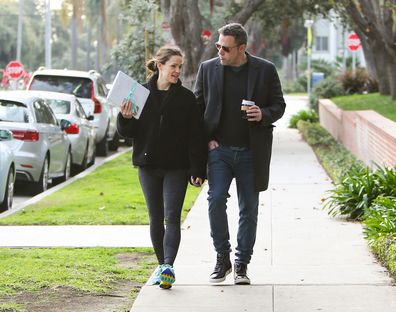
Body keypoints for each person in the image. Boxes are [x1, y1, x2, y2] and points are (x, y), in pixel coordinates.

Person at [194, 23, 286, 285]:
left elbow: (279, 105)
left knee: (249, 209)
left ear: (242, 48)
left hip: (250, 152)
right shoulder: (208, 68)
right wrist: (207, 140)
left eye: (226, 48)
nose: (220, 51)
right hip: (219, 151)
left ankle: (241, 263)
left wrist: (263, 114)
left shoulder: (265, 70)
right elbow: (197, 109)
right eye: (218, 46)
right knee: (215, 200)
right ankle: (222, 257)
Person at [117, 45, 207, 289]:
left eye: (180, 66)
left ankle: (168, 265)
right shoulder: (140, 94)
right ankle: (161, 265)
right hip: (148, 166)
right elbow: (128, 133)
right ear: (159, 66)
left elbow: (196, 137)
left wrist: (198, 170)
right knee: (155, 218)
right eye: (173, 66)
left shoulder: (187, 99)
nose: (177, 71)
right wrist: (124, 118)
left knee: (172, 217)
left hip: (177, 168)